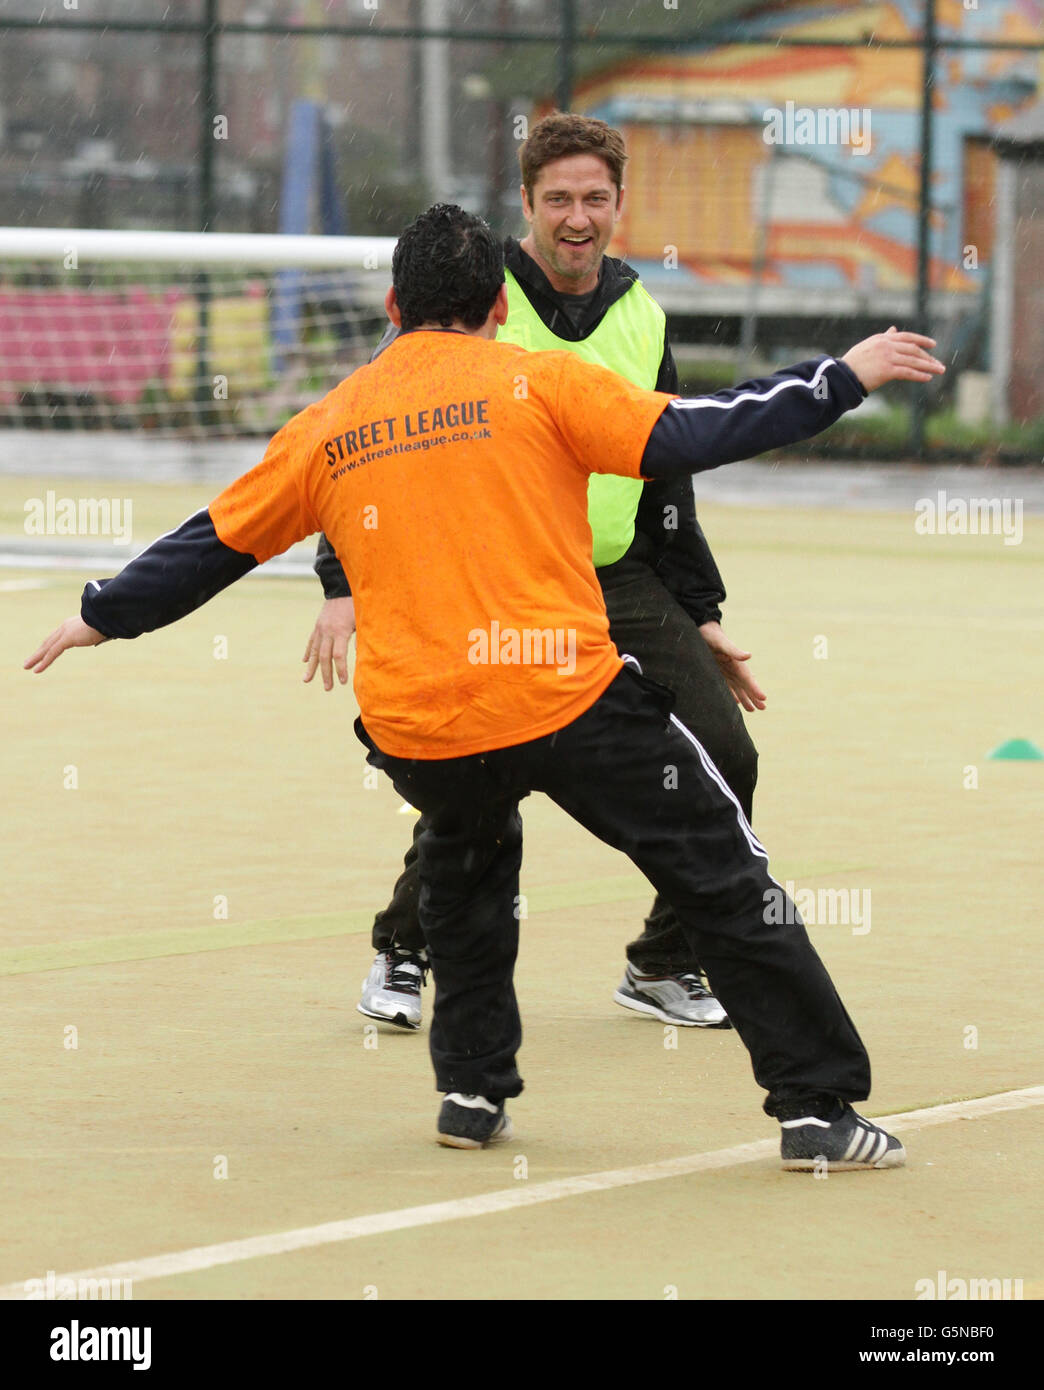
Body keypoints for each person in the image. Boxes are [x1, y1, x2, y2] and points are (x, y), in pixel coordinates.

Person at [25, 204, 944, 1167]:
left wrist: (103, 612)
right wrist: (840, 378)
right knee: (723, 873)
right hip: (562, 698)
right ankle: (817, 1112)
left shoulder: (329, 423)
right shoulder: (538, 381)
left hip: (420, 727)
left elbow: (213, 543)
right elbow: (694, 432)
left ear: (391, 304)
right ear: (501, 305)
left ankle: (469, 1092)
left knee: (465, 867)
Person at [305, 113, 762, 1033]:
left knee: (726, 755)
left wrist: (700, 608)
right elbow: (366, 436)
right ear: (528, 204)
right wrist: (339, 577)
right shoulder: (472, 295)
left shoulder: (642, 314)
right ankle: (404, 950)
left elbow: (665, 466)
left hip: (619, 580)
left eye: (595, 197)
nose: (577, 216)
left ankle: (666, 964)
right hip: (497, 580)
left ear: (620, 205)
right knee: (479, 775)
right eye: (558, 198)